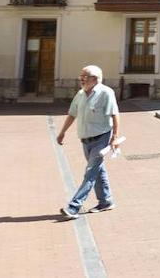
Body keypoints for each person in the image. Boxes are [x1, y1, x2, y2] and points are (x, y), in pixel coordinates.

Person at [55, 65, 120, 219]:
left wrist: (115, 137)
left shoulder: (106, 93)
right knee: (98, 170)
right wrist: (62, 132)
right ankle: (106, 201)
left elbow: (115, 114)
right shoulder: (80, 94)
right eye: (81, 75)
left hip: (101, 138)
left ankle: (74, 207)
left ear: (95, 79)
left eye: (85, 76)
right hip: (85, 140)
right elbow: (72, 114)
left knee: (90, 172)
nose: (81, 79)